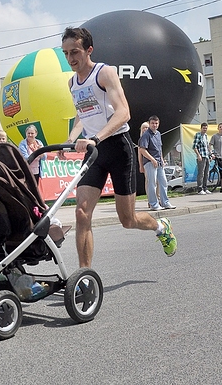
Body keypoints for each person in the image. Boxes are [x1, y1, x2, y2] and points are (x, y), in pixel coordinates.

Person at [61, 27, 176, 267]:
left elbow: (123, 113)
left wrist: (96, 138)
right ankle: (85, 276)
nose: (71, 58)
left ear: (88, 50)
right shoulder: (72, 82)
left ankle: (160, 225)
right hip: (95, 152)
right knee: (82, 212)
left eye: (75, 52)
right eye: (66, 53)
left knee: (127, 219)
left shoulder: (105, 73)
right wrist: (71, 139)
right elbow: (81, 116)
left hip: (117, 148)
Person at [138, 116, 176, 211]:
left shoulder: (158, 134)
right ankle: (153, 204)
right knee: (152, 183)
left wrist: (162, 159)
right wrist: (152, 159)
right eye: (152, 123)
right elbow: (142, 150)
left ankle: (165, 202)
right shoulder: (146, 135)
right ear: (149, 123)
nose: (154, 125)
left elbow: (159, 149)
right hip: (150, 163)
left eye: (156, 123)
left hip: (159, 162)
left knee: (163, 182)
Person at [209, 123, 222, 193]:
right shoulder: (214, 136)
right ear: (218, 128)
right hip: (218, 156)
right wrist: (212, 154)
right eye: (220, 127)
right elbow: (210, 145)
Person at [193, 122, 211, 195]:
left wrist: (210, 154)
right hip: (201, 156)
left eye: (206, 128)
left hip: (206, 156)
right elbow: (194, 146)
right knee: (201, 173)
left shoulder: (206, 135)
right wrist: (198, 155)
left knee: (206, 173)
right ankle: (200, 189)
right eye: (204, 128)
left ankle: (205, 187)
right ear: (201, 128)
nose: (205, 130)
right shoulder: (198, 135)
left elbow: (207, 147)